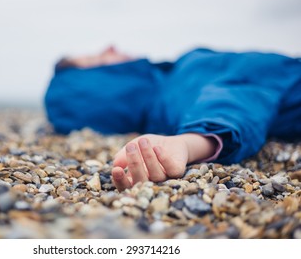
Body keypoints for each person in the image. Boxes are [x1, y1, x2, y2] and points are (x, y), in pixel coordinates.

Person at [44, 46, 301, 191]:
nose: (110, 47)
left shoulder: (170, 82)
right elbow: (231, 100)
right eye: (98, 58)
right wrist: (188, 144)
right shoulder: (176, 89)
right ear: (102, 90)